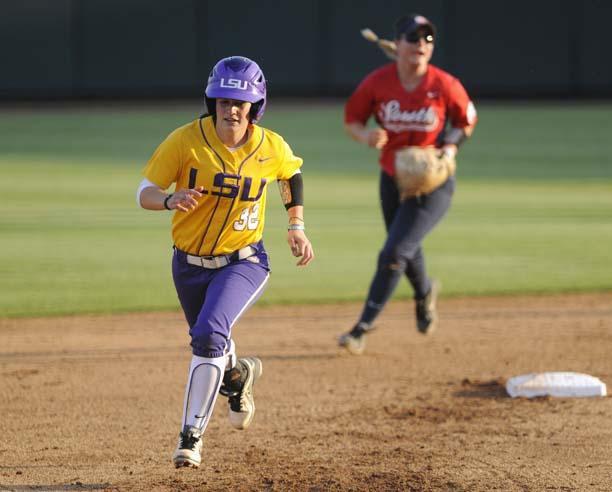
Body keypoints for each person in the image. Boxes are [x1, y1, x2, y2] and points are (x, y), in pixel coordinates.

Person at [137, 55, 314, 468]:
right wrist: (168, 200)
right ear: (211, 101)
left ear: (256, 106)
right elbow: (144, 190)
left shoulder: (270, 146)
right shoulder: (185, 141)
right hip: (188, 265)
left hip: (244, 261)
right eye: (223, 102)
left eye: (241, 103)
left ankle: (191, 437)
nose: (232, 110)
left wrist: (296, 225)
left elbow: (291, 174)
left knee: (209, 335)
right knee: (208, 340)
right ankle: (237, 377)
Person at [338, 14, 477, 355]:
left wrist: (450, 145)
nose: (420, 44)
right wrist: (366, 136)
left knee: (394, 251)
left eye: (427, 39)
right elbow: (352, 120)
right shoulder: (378, 83)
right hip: (392, 178)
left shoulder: (444, 84)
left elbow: (466, 120)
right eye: (413, 38)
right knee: (405, 248)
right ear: (397, 44)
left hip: (434, 183)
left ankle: (361, 327)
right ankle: (424, 294)